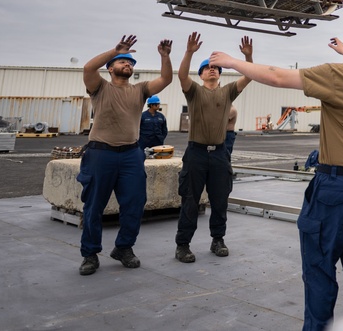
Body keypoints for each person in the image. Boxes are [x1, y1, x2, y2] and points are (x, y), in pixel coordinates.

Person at [209, 6, 343, 331]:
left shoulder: (335, 76)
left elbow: (277, 76)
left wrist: (233, 62)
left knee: (320, 268)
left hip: (336, 190)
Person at [77, 35, 173, 276]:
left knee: (134, 204)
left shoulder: (140, 90)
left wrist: (164, 57)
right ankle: (90, 254)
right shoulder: (100, 87)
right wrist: (115, 50)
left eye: (130, 62)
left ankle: (124, 248)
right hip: (101, 153)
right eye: (122, 61)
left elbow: (166, 79)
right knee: (94, 206)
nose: (127, 64)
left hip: (131, 154)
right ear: (110, 68)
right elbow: (88, 68)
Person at [174, 33, 254, 263]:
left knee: (220, 200)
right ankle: (183, 245)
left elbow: (249, 76)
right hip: (196, 153)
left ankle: (218, 239)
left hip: (219, 153)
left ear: (220, 73)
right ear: (200, 75)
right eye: (207, 68)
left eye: (216, 68)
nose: (212, 70)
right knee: (190, 200)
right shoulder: (194, 92)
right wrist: (189, 52)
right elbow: (181, 76)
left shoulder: (227, 91)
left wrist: (248, 57)